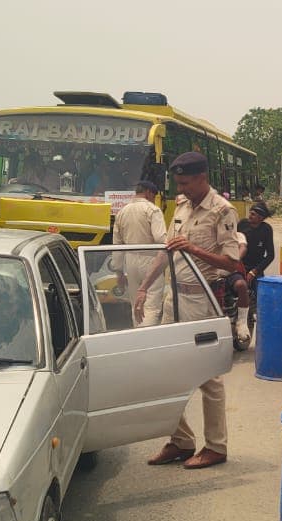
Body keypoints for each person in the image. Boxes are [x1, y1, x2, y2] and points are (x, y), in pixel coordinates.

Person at [136, 151, 240, 470]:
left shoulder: (223, 210)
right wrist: (144, 287)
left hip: (203, 300)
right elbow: (165, 252)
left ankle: (216, 447)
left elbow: (234, 262)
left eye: (186, 183)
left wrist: (194, 250)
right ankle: (180, 440)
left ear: (202, 178)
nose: (182, 189)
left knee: (208, 377)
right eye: (178, 183)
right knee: (165, 371)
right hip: (173, 299)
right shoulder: (180, 207)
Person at [111, 180, 166, 326]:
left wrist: (118, 272)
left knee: (135, 304)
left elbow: (117, 244)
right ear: (148, 192)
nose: (154, 199)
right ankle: (147, 339)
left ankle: (137, 332)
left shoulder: (122, 212)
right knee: (151, 306)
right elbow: (161, 238)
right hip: (151, 259)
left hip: (130, 260)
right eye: (154, 196)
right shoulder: (152, 210)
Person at [231, 202, 274, 341]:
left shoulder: (266, 229)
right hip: (239, 264)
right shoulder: (242, 224)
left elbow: (270, 255)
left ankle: (259, 323)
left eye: (254, 214)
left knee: (260, 296)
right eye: (250, 212)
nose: (250, 215)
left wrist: (254, 271)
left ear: (261, 218)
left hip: (256, 267)